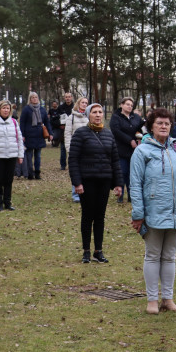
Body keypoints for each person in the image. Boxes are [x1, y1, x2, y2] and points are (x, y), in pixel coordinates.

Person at [130, 108, 176, 314]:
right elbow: (135, 185)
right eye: (159, 123)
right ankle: (152, 300)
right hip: (152, 212)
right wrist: (138, 214)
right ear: (151, 126)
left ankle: (167, 299)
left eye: (167, 123)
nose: (163, 126)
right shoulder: (142, 151)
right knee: (153, 255)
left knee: (170, 256)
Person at [68, 103, 124, 263]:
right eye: (94, 112)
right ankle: (86, 250)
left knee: (100, 216)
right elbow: (73, 160)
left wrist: (119, 183)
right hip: (87, 181)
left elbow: (115, 160)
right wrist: (77, 182)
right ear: (88, 115)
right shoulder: (80, 134)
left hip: (104, 181)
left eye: (100, 112)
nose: (98, 115)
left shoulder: (108, 134)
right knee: (87, 216)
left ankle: (98, 250)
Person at [0, 100, 23, 211]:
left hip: (12, 155)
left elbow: (19, 139)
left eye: (8, 108)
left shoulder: (14, 122)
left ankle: (7, 202)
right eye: (4, 108)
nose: (6, 110)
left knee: (9, 180)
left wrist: (20, 155)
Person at [109, 96, 143, 203]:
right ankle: (120, 195)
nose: (129, 107)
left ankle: (131, 196)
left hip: (134, 150)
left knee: (132, 174)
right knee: (122, 172)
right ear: (122, 105)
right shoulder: (116, 117)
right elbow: (116, 131)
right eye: (127, 104)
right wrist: (130, 140)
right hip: (120, 149)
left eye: (131, 105)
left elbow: (141, 128)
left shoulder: (136, 117)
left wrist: (140, 137)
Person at [65, 96, 91, 202]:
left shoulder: (90, 117)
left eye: (86, 103)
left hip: (88, 149)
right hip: (75, 148)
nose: (84, 104)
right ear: (78, 103)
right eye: (82, 102)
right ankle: (75, 194)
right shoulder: (71, 118)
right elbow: (67, 134)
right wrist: (69, 148)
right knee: (76, 171)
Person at [19, 92, 50, 181]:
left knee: (38, 155)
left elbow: (47, 122)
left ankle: (37, 172)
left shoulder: (42, 109)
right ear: (30, 99)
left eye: (36, 97)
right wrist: (22, 135)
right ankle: (30, 173)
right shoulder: (26, 109)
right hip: (29, 135)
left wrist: (50, 133)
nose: (35, 99)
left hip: (39, 134)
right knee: (29, 155)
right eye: (33, 97)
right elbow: (22, 123)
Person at [55, 92, 74, 170]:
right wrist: (60, 125)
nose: (68, 98)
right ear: (64, 98)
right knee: (63, 148)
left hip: (73, 129)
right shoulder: (60, 108)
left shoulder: (75, 107)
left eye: (69, 97)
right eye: (66, 97)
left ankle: (72, 164)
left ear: (71, 98)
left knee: (73, 148)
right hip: (63, 131)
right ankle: (63, 165)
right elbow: (55, 119)